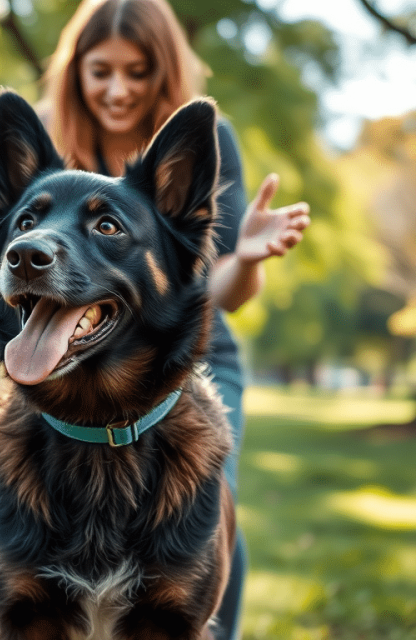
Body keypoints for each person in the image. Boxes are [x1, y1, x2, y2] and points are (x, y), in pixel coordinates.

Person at [37, 1, 311, 638]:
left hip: (190, 359)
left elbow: (220, 293)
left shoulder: (203, 140)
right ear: (76, 70)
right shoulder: (49, 132)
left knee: (206, 518)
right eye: (101, 71)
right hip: (64, 350)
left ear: (165, 70)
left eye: (138, 72)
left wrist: (245, 257)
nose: (118, 89)